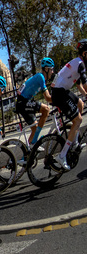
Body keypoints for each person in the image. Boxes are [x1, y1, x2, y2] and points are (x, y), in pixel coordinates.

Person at [49, 40, 87, 170]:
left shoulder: (77, 62)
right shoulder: (81, 64)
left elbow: (79, 85)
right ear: (85, 53)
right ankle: (62, 155)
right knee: (78, 120)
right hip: (59, 93)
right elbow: (85, 84)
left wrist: (85, 95)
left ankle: (74, 141)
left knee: (80, 104)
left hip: (61, 91)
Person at [16, 57, 55, 147]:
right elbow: (47, 97)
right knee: (46, 109)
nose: (52, 72)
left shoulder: (40, 77)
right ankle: (34, 142)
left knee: (35, 129)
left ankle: (28, 150)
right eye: (51, 69)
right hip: (23, 102)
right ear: (46, 69)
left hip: (23, 102)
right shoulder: (40, 77)